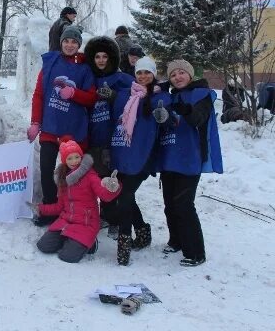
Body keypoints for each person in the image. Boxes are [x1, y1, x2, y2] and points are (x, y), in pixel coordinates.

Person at [28, 26, 97, 226]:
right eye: (67, 41)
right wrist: (35, 122)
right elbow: (39, 94)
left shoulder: (85, 68)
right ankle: (51, 209)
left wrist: (75, 94)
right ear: (61, 42)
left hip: (72, 129)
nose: (70, 45)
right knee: (47, 170)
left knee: (72, 174)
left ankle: (74, 210)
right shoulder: (50, 63)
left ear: (78, 45)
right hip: (50, 126)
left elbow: (92, 98)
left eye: (74, 42)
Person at [159, 59, 223, 267]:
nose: (177, 77)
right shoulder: (170, 97)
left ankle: (196, 252)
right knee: (169, 204)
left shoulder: (202, 95)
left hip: (190, 158)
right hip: (170, 156)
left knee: (184, 204)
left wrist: (186, 111)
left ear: (190, 74)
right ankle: (176, 240)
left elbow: (198, 119)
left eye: (181, 73)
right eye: (173, 75)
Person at [110, 56, 171, 266]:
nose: (143, 76)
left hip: (145, 155)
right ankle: (143, 230)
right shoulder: (127, 95)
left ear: (154, 74)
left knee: (125, 195)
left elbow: (167, 122)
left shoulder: (159, 97)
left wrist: (165, 117)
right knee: (125, 195)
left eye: (147, 72)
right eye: (139, 72)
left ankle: (124, 247)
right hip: (125, 152)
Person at [31, 141, 121, 263]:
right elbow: (59, 207)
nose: (74, 161)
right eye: (70, 158)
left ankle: (91, 243)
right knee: (44, 246)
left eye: (77, 157)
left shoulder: (90, 176)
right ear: (64, 160)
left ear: (81, 157)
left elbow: (104, 195)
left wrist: (113, 188)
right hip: (66, 221)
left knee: (67, 256)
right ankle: (70, 239)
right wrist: (41, 209)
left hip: (86, 223)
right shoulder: (63, 179)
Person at [84, 36, 135, 240]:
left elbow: (136, 96)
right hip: (92, 138)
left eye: (105, 56)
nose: (101, 60)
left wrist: (114, 96)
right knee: (98, 180)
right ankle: (106, 214)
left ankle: (117, 220)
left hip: (112, 140)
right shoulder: (89, 78)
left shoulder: (121, 78)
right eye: (97, 56)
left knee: (113, 181)